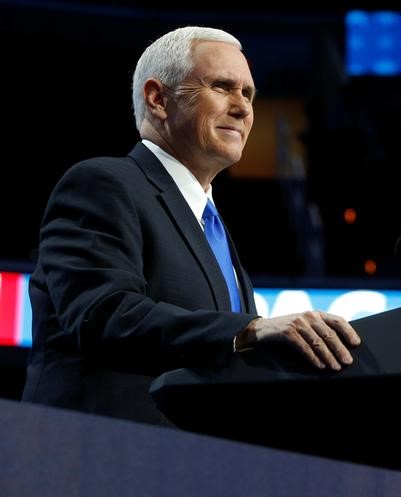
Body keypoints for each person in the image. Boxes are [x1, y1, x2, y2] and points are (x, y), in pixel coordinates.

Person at [21, 26, 361, 425]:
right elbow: (103, 315)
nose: (243, 108)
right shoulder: (102, 184)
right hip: (92, 457)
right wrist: (251, 330)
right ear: (158, 98)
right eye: (222, 87)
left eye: (248, 94)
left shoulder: (212, 227)